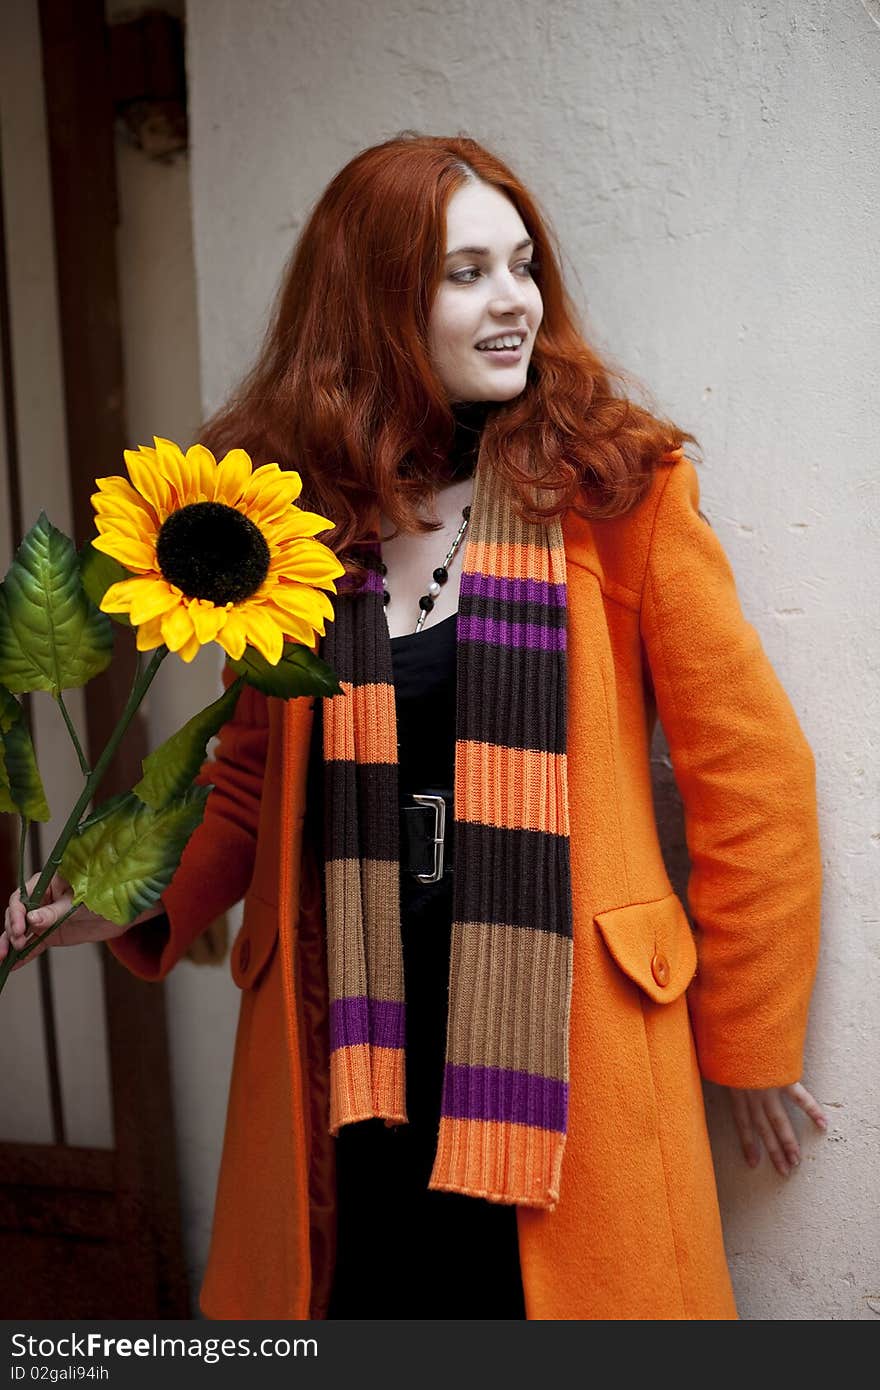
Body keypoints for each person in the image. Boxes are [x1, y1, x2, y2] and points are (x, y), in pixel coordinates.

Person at [2, 133, 826, 1320]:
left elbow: (749, 774)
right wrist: (122, 895)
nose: (514, 303)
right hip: (352, 1031)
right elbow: (247, 785)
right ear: (376, 299)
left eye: (524, 265)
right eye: (466, 273)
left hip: (554, 1027)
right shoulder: (289, 525)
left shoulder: (615, 490)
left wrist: (751, 1039)